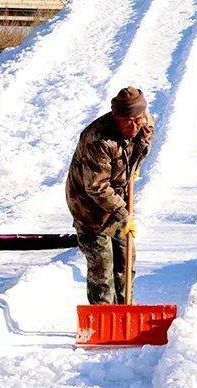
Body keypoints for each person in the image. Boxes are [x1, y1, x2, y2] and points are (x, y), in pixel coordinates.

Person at [66, 87, 155, 304]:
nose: (134, 126)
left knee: (125, 259)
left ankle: (125, 312)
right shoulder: (97, 139)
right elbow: (96, 187)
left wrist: (134, 166)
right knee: (102, 265)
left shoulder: (145, 122)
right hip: (89, 205)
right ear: (115, 116)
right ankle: (103, 316)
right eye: (127, 121)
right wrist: (123, 214)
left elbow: (143, 142)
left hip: (116, 197)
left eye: (138, 119)